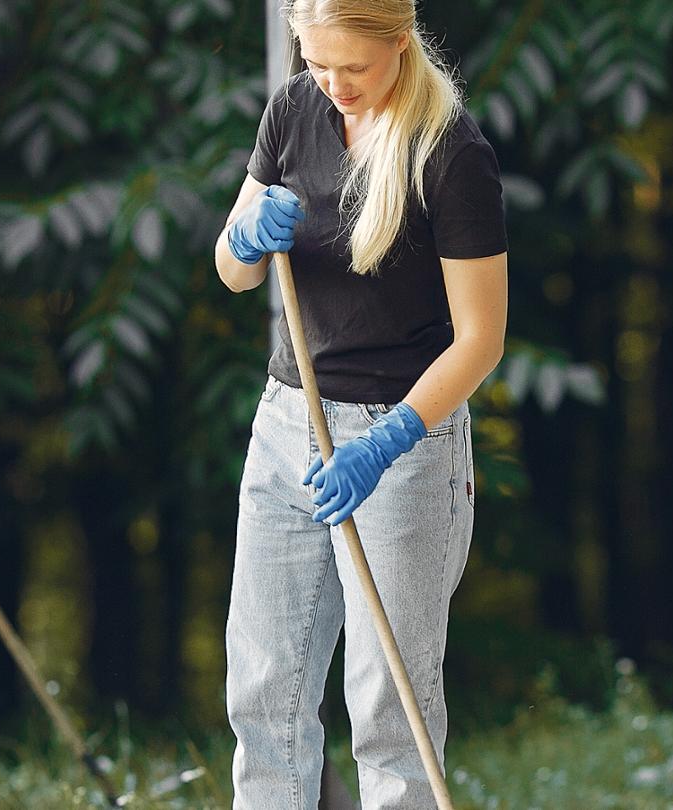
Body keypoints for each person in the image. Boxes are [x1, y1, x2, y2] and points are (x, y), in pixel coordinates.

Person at [213, 0, 508, 806]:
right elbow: (232, 270)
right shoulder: (294, 108)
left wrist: (387, 445)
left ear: (401, 43)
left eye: (355, 67)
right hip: (288, 420)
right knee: (264, 693)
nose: (334, 84)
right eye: (316, 63)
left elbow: (481, 339)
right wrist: (242, 241)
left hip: (401, 441)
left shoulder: (452, 154)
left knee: (391, 711)